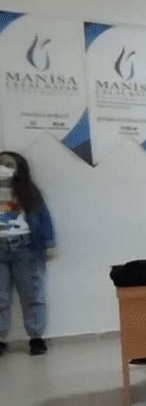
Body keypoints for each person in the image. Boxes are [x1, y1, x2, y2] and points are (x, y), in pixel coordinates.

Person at [0, 150, 55, 356]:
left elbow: (44, 216)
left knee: (32, 295)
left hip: (26, 249)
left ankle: (36, 337)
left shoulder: (29, 191)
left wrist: (49, 241)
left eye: (9, 164)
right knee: (1, 298)